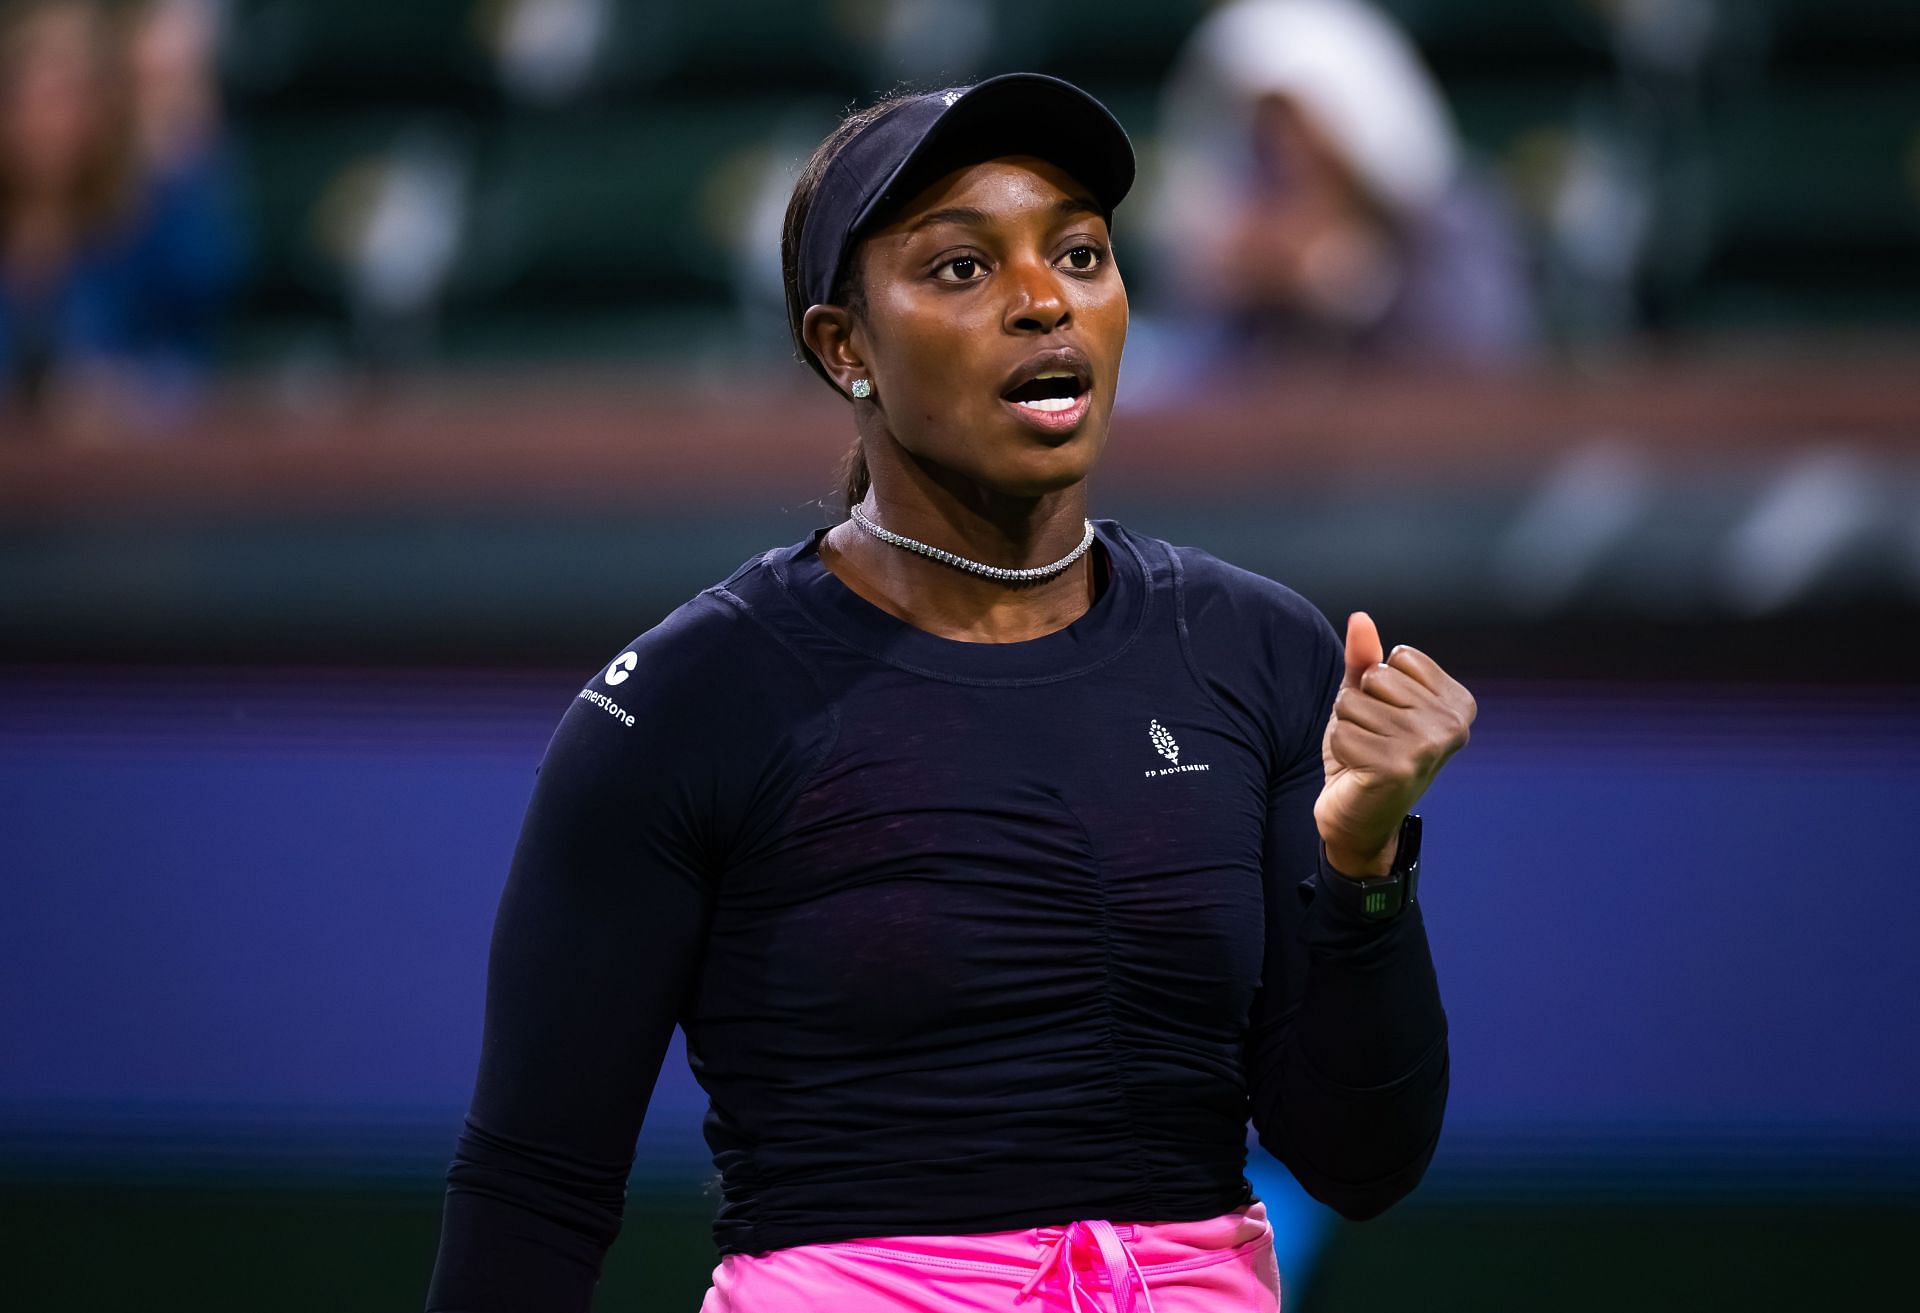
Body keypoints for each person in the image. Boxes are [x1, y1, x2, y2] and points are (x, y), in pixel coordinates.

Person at [426, 73, 1476, 1313]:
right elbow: (534, 1188)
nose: (1046, 299)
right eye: (963, 268)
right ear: (844, 346)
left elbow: (1363, 1160)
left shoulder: (1257, 650)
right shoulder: (687, 699)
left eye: (1081, 251)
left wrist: (1362, 868)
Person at [1147, 0, 1537, 374]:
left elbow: (1486, 358)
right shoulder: (1238, 235)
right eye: (1267, 129)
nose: (1285, 150)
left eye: (1298, 124)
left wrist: (1358, 287)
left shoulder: (1454, 220)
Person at [0, 0, 242, 438]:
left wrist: (127, 396)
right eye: (25, 94)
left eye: (69, 94)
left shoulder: (147, 221)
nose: (46, 119)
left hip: (111, 487)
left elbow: (196, 372)